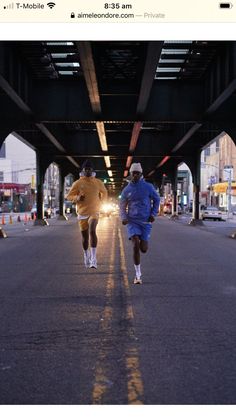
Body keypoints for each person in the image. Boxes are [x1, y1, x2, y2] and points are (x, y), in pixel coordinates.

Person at [119, 162, 160, 284]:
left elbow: (157, 199)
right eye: (133, 173)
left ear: (141, 174)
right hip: (132, 221)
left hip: (145, 222)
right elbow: (122, 205)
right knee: (135, 244)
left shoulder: (148, 187)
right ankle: (138, 274)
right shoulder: (127, 190)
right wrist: (124, 217)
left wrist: (153, 214)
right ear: (131, 174)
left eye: (137, 173)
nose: (135, 175)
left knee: (144, 249)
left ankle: (144, 241)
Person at [66, 159, 108, 269]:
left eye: (89, 169)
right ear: (83, 170)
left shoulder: (98, 182)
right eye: (86, 169)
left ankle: (94, 259)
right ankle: (86, 254)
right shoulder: (78, 183)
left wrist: (102, 201)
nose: (88, 171)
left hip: (94, 211)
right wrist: (77, 198)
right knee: (85, 238)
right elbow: (68, 196)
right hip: (82, 212)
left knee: (92, 230)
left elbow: (104, 192)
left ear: (92, 170)